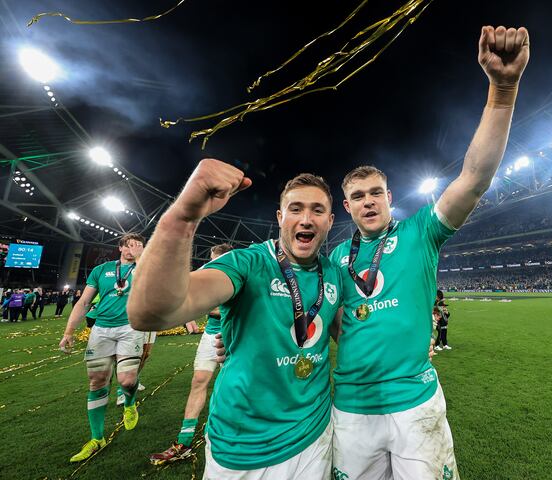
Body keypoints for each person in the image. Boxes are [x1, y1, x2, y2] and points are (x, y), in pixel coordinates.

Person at [328, 25, 529, 479]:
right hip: (352, 406)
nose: (369, 201)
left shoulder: (421, 232)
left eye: (376, 192)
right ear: (347, 206)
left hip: (414, 404)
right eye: (358, 196)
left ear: (388, 195)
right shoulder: (336, 259)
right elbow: (333, 322)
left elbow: (474, 178)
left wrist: (503, 90)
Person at [128, 168, 343, 479]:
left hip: (313, 436)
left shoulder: (333, 273)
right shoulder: (247, 263)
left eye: (317, 210)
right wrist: (184, 216)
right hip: (242, 443)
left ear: (330, 221)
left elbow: (349, 335)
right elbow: (151, 313)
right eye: (296, 209)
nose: (306, 219)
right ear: (280, 217)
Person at [58, 233, 148, 462]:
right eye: (130, 245)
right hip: (101, 330)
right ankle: (97, 438)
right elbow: (84, 302)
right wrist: (69, 332)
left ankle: (129, 403)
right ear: (120, 248)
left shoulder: (146, 267)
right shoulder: (102, 270)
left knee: (127, 380)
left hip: (131, 328)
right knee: (97, 382)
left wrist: (142, 258)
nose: (134, 249)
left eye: (139, 245)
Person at [148, 243, 235, 465]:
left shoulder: (237, 270)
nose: (214, 264)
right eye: (213, 260)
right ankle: (183, 442)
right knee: (198, 381)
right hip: (211, 334)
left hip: (235, 336)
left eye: (219, 260)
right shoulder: (205, 271)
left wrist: (206, 306)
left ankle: (236, 435)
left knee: (234, 386)